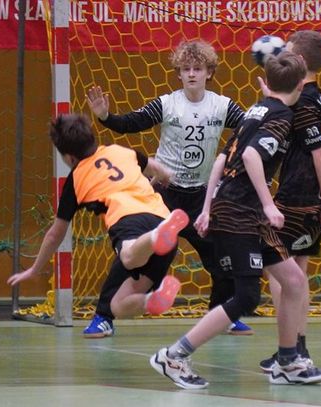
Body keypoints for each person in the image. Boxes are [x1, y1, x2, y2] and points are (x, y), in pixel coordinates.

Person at [149, 52, 321, 389]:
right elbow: (249, 155)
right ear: (301, 84)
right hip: (238, 213)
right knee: (246, 297)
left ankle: (288, 362)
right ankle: (173, 356)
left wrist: (206, 208)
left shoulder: (257, 109)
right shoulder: (280, 117)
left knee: (293, 280)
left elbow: (222, 158)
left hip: (241, 210)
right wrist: (269, 204)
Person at [84, 39, 252, 338]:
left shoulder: (222, 106)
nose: (191, 74)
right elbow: (132, 123)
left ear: (209, 72)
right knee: (133, 254)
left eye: (197, 68)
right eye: (186, 69)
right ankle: (103, 316)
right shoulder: (167, 104)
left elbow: (249, 130)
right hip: (162, 196)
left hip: (201, 197)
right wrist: (106, 117)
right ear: (178, 73)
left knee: (223, 256)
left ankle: (222, 314)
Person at [7, 113, 189, 323]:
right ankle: (153, 299)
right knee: (117, 305)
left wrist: (34, 269)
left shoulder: (76, 178)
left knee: (129, 257)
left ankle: (156, 236)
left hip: (128, 218)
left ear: (69, 158)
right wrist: (159, 179)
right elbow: (161, 171)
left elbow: (55, 234)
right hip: (161, 216)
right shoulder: (121, 151)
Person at [257, 30, 321, 373]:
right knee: (297, 272)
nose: (281, 56)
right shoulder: (316, 96)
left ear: (301, 61)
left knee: (281, 272)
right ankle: (297, 348)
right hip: (309, 193)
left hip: (298, 193)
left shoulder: (303, 100)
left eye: (287, 52)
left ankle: (289, 352)